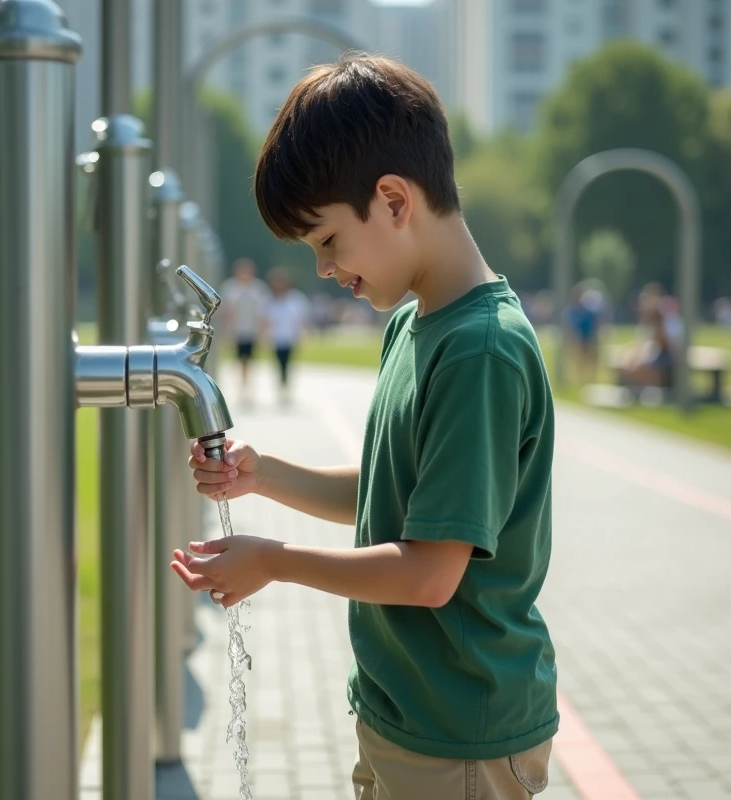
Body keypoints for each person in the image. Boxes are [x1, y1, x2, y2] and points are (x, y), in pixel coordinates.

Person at [172, 55, 555, 799]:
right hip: (404, 713)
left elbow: (427, 573)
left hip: (461, 734)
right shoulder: (415, 321)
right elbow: (399, 496)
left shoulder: (480, 350)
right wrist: (265, 474)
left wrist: (275, 561)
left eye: (326, 241)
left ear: (392, 200)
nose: (322, 269)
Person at [220, 258, 272, 397]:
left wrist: (263, 332)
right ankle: (242, 384)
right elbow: (228, 312)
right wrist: (227, 331)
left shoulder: (258, 289)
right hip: (238, 330)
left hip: (252, 331)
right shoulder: (230, 288)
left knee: (249, 359)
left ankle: (247, 384)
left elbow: (262, 312)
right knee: (240, 359)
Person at [263, 266, 310, 405]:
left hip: (290, 338)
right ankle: (281, 386)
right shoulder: (270, 300)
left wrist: (302, 335)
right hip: (276, 338)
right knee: (278, 363)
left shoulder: (295, 299)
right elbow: (265, 320)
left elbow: (301, 320)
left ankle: (286, 387)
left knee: (288, 363)